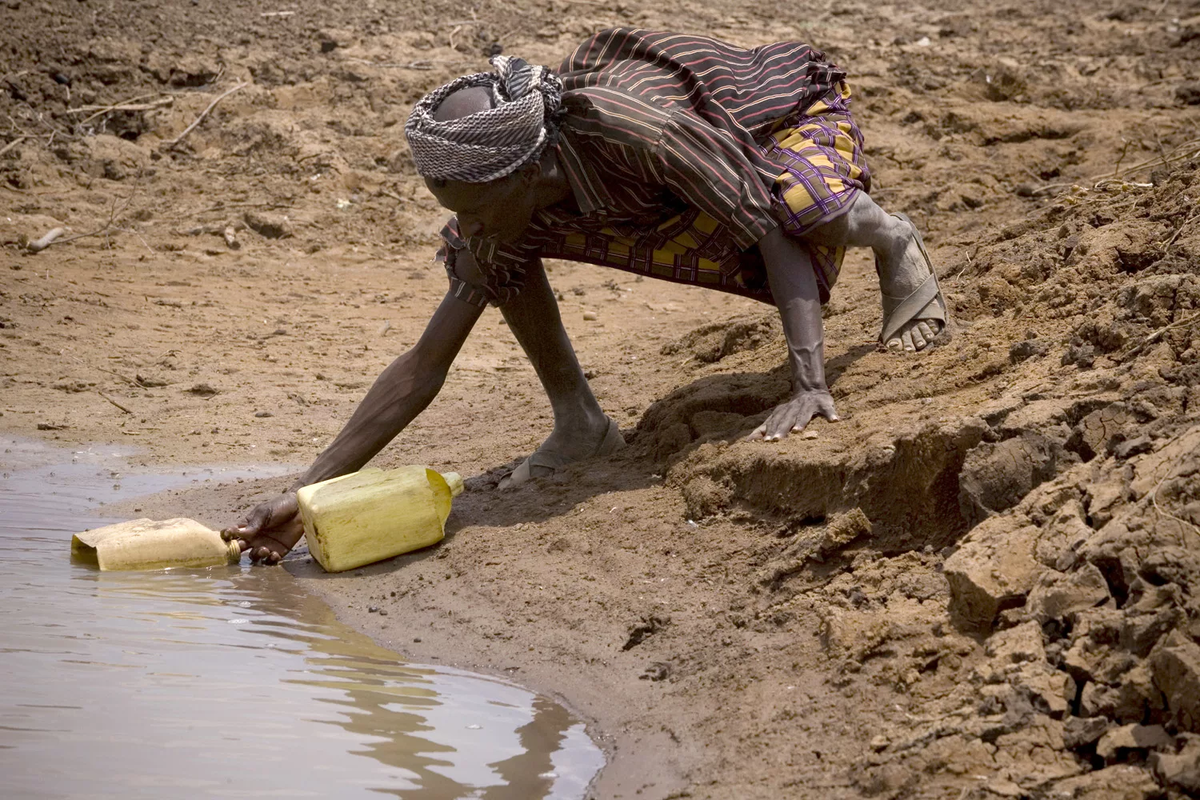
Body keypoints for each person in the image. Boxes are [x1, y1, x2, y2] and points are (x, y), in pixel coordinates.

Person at [224, 28, 946, 564]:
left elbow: (764, 222)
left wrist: (809, 383)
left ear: (532, 171)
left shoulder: (645, 130)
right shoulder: (513, 187)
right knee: (490, 257)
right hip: (670, 189)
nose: (463, 223)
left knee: (801, 204)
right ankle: (581, 425)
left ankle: (891, 240)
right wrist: (309, 488)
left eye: (475, 205)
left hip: (783, 127)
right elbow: (428, 362)